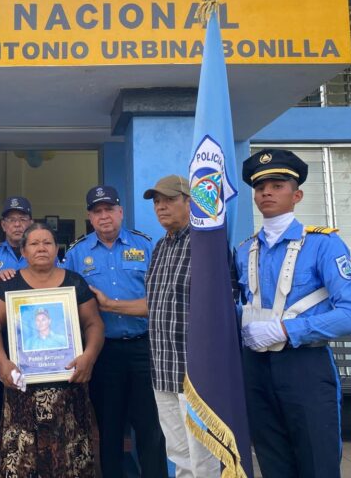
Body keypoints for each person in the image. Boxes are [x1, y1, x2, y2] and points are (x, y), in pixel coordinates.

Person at [236, 148, 351, 478]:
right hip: (256, 366)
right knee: (272, 461)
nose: (266, 192)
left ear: (296, 195)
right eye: (260, 187)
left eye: (277, 185)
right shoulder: (244, 250)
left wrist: (287, 330)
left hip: (304, 364)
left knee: (317, 461)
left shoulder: (323, 244)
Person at [0, 222, 105, 477]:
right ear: (24, 251)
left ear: (57, 248)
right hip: (22, 386)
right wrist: (2, 363)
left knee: (69, 458)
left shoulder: (74, 282)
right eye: (34, 243)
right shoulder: (10, 285)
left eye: (47, 242)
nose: (41, 248)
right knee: (22, 458)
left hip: (68, 387)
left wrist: (89, 357)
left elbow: (93, 324)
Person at [63, 185, 168, 478]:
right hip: (103, 352)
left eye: (109, 209)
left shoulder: (146, 246)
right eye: (97, 211)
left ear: (120, 212)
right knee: (109, 428)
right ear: (90, 217)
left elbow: (161, 299)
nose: (104, 216)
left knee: (150, 427)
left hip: (143, 348)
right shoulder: (76, 254)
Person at [143, 175, 220, 478]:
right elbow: (156, 304)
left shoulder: (206, 244)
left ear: (190, 202)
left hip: (195, 374)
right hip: (162, 369)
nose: (161, 207)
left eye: (169, 200)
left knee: (203, 456)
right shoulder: (160, 247)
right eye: (156, 202)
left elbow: (222, 307)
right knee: (178, 454)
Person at [0, 195, 33, 475]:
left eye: (22, 219)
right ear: (3, 225)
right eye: (11, 220)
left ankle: (29, 461)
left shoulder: (40, 250)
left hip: (32, 340)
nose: (17, 224)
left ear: (30, 222)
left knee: (29, 399)